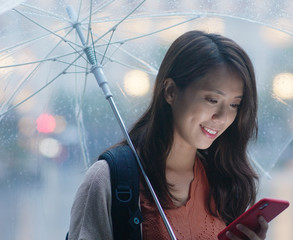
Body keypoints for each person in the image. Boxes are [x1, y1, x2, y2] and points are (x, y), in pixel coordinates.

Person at [68, 30, 268, 240]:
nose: (222, 117)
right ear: (170, 91)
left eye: (235, 104)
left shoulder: (224, 181)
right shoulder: (109, 179)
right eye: (212, 100)